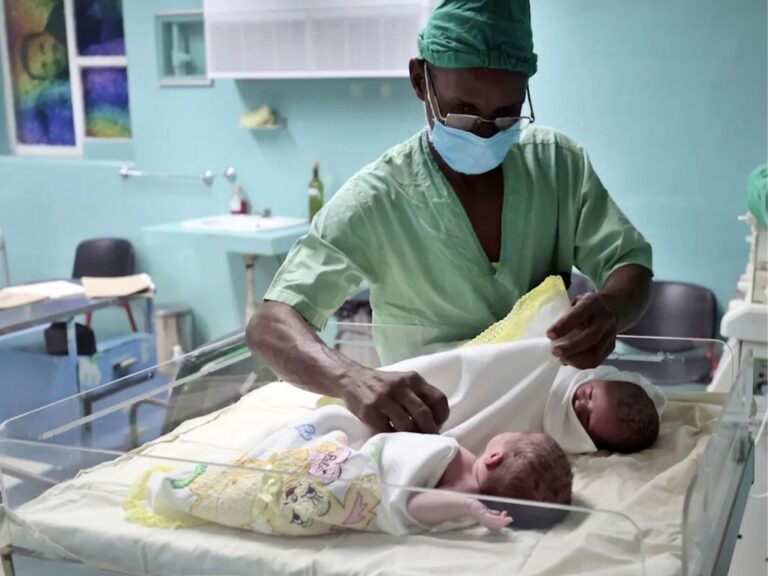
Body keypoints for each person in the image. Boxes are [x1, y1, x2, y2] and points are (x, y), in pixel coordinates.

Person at [248, 0, 653, 435]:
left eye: (506, 116)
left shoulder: (557, 166)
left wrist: (610, 310)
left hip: (544, 409)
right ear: (420, 81)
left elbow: (629, 264)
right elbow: (270, 325)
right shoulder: (379, 199)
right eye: (465, 113)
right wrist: (351, 378)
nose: (486, 132)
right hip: (434, 422)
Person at [134, 407, 573, 536]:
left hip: (353, 482)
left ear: (493, 459)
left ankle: (190, 490)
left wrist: (471, 507)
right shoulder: (456, 461)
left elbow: (407, 504)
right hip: (358, 460)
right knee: (332, 431)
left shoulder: (459, 488)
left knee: (283, 471)